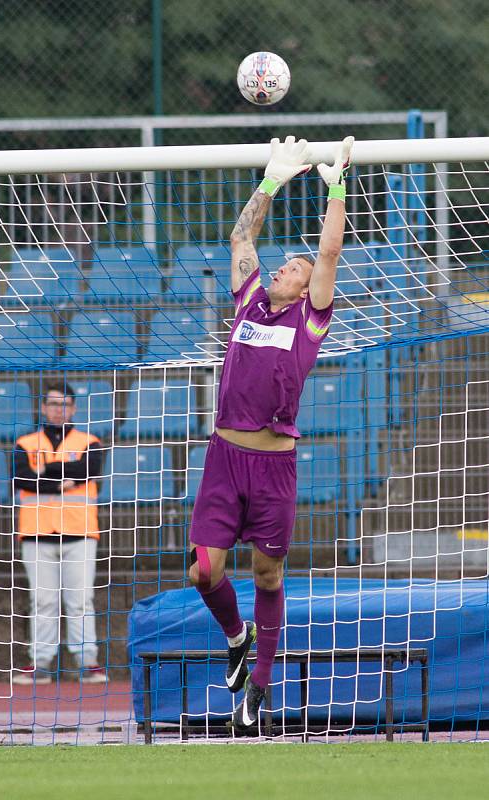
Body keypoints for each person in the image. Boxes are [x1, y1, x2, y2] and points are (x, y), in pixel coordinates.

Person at [188, 134, 354, 731]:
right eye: (286, 264)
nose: (286, 266)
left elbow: (329, 254)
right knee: (203, 571)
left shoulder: (311, 318)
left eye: (296, 267)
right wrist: (271, 181)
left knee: (267, 573)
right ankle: (237, 636)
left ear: (307, 288)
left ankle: (259, 686)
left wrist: (334, 186)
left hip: (273, 467)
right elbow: (242, 239)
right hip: (224, 457)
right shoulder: (251, 300)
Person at [12, 381, 105, 685]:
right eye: (53, 403)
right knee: (43, 601)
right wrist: (62, 477)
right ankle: (40, 664)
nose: (58, 409)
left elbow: (87, 471)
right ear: (43, 407)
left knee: (80, 601)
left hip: (79, 532)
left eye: (64, 404)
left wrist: (44, 471)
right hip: (36, 533)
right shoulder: (25, 442)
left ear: (73, 408)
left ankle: (88, 663)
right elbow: (21, 478)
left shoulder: (89, 441)